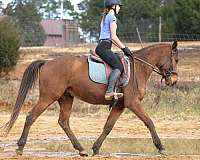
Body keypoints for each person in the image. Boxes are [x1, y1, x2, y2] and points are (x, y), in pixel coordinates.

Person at [95, 0, 132, 100]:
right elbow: (113, 37)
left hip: (102, 46)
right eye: (119, 6)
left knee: (118, 57)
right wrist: (125, 48)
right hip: (104, 47)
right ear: (114, 6)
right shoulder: (112, 17)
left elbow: (110, 38)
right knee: (118, 66)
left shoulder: (106, 17)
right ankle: (109, 91)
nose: (119, 8)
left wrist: (122, 49)